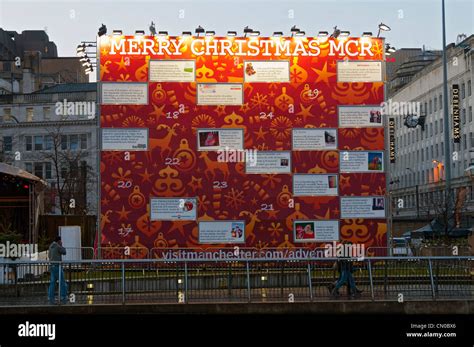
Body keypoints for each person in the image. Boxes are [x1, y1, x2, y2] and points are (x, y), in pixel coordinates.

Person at [48, 236, 68, 304]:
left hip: (52, 267)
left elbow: (49, 256)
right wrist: (61, 245)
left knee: (52, 283)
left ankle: (50, 297)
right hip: (57, 267)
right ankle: (63, 296)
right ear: (59, 241)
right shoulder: (58, 246)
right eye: (60, 241)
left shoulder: (50, 246)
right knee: (62, 282)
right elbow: (64, 252)